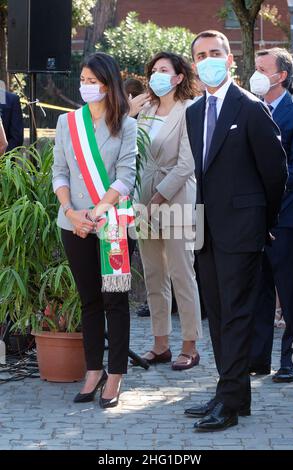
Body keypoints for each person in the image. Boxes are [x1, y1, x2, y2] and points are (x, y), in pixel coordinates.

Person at [184, 30, 287, 432]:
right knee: (219, 314)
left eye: (215, 53)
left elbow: (275, 172)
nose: (208, 59)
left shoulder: (250, 108)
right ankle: (231, 393)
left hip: (243, 231)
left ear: (229, 59)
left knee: (237, 317)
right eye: (200, 55)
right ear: (194, 64)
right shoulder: (194, 112)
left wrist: (264, 223)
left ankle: (229, 403)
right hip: (205, 230)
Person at [52, 52, 137, 409]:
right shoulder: (67, 123)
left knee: (114, 300)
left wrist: (100, 211)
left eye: (93, 81)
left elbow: (126, 174)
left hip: (112, 224)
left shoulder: (126, 124)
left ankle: (115, 372)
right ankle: (93, 369)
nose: (86, 86)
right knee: (89, 300)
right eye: (83, 80)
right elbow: (59, 172)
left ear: (108, 83)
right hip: (74, 224)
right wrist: (71, 212)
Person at [135, 51, 202, 370]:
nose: (156, 75)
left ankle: (190, 345)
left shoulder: (190, 110)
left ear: (178, 77)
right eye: (153, 70)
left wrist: (157, 200)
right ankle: (160, 344)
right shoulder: (145, 109)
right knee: (153, 274)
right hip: (143, 201)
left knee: (182, 274)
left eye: (164, 70)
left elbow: (187, 165)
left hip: (178, 201)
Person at [249, 48, 293, 383]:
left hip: (287, 216)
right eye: (254, 67)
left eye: (262, 68)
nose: (255, 73)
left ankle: (292, 359)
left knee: (292, 292)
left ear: (280, 76)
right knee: (258, 291)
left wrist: (264, 189)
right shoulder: (249, 109)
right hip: (253, 218)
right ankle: (257, 359)